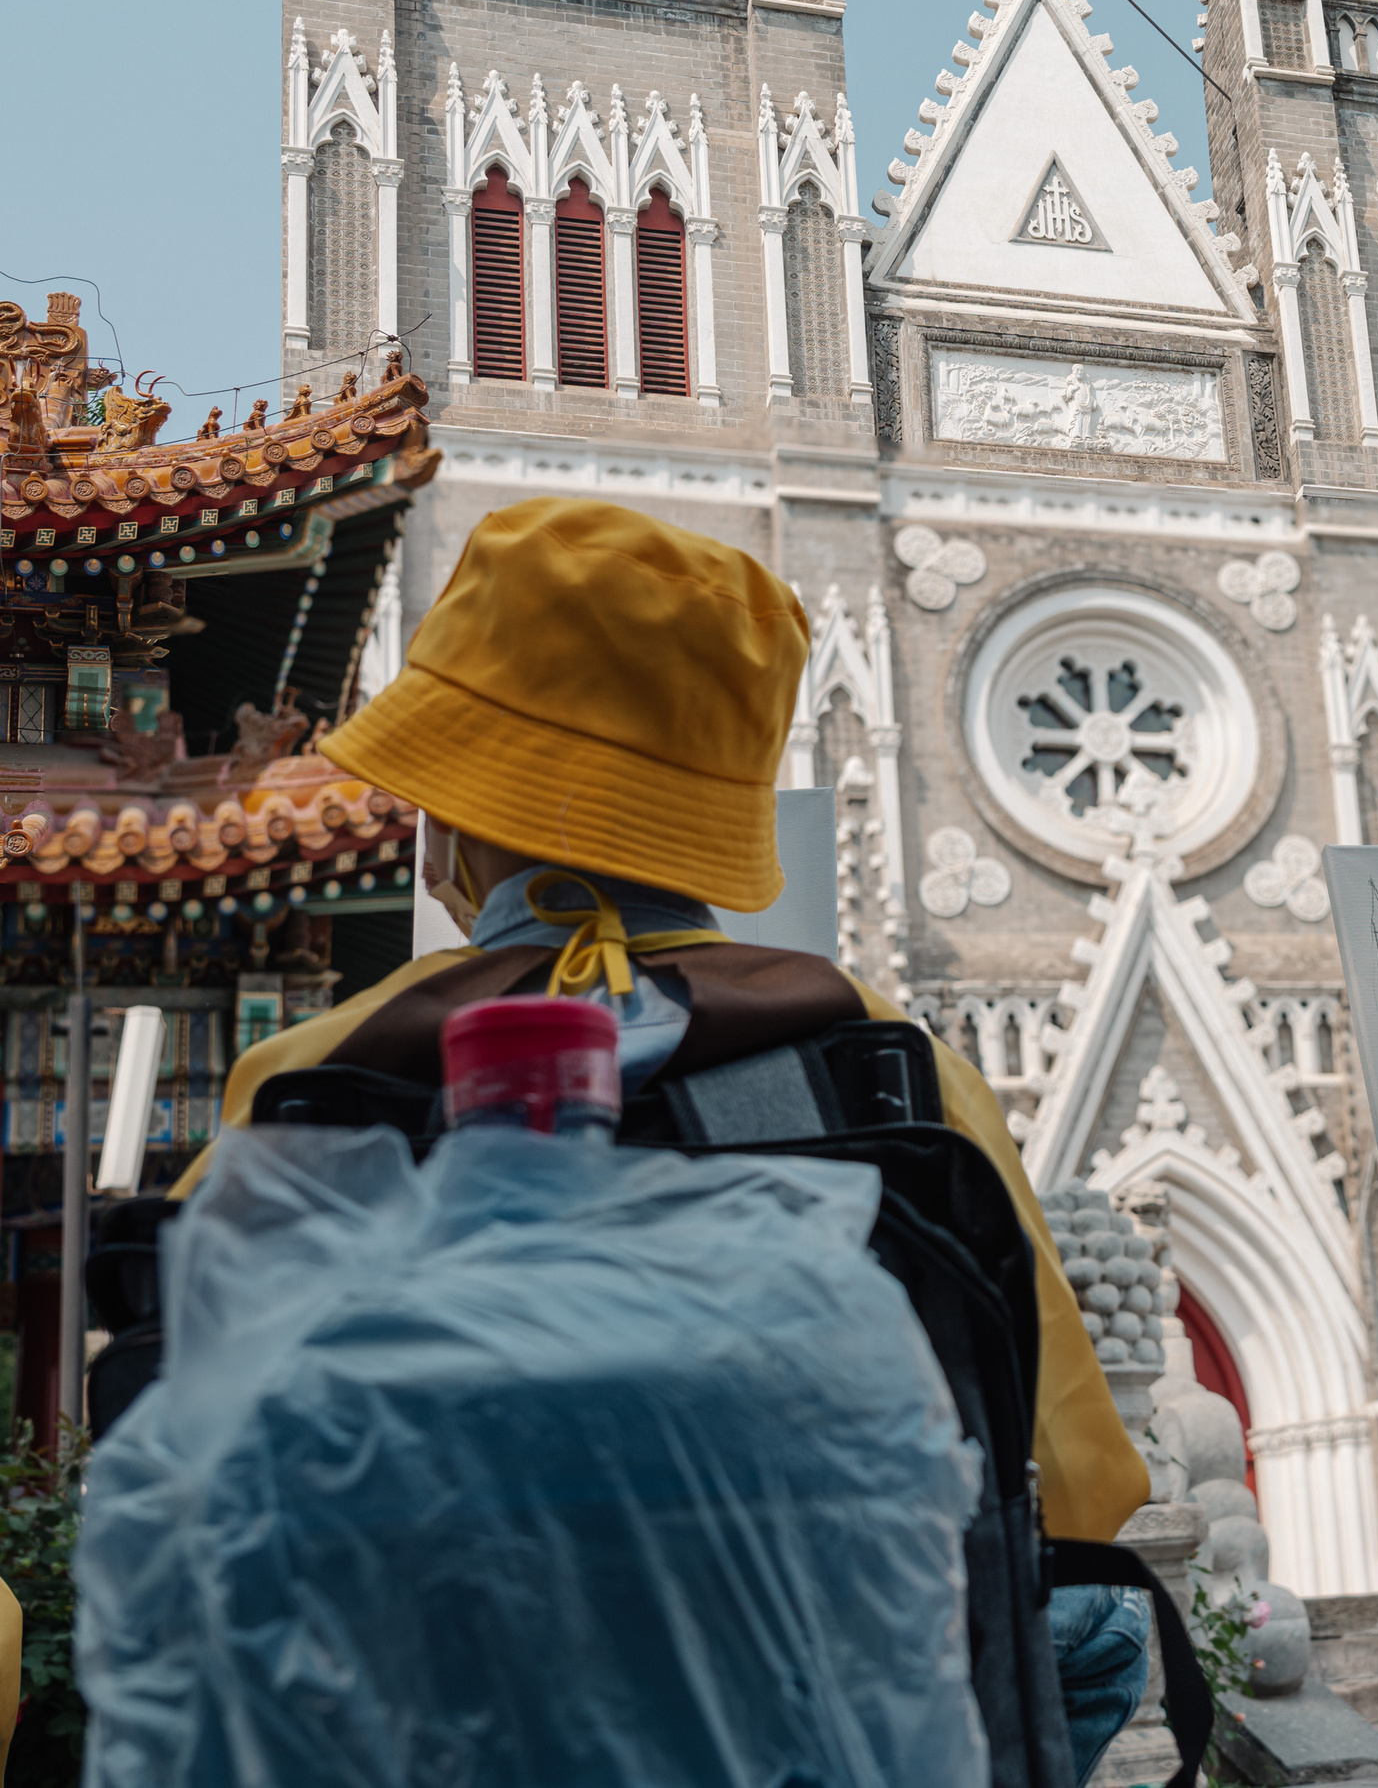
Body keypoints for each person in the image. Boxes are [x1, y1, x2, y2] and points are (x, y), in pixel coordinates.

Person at [177, 498, 1151, 1762]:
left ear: (456, 823)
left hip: (452, 1721)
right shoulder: (883, 1062)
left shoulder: (319, 1075)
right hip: (820, 1727)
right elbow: (1072, 1484)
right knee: (1094, 1620)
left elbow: (189, 1440)